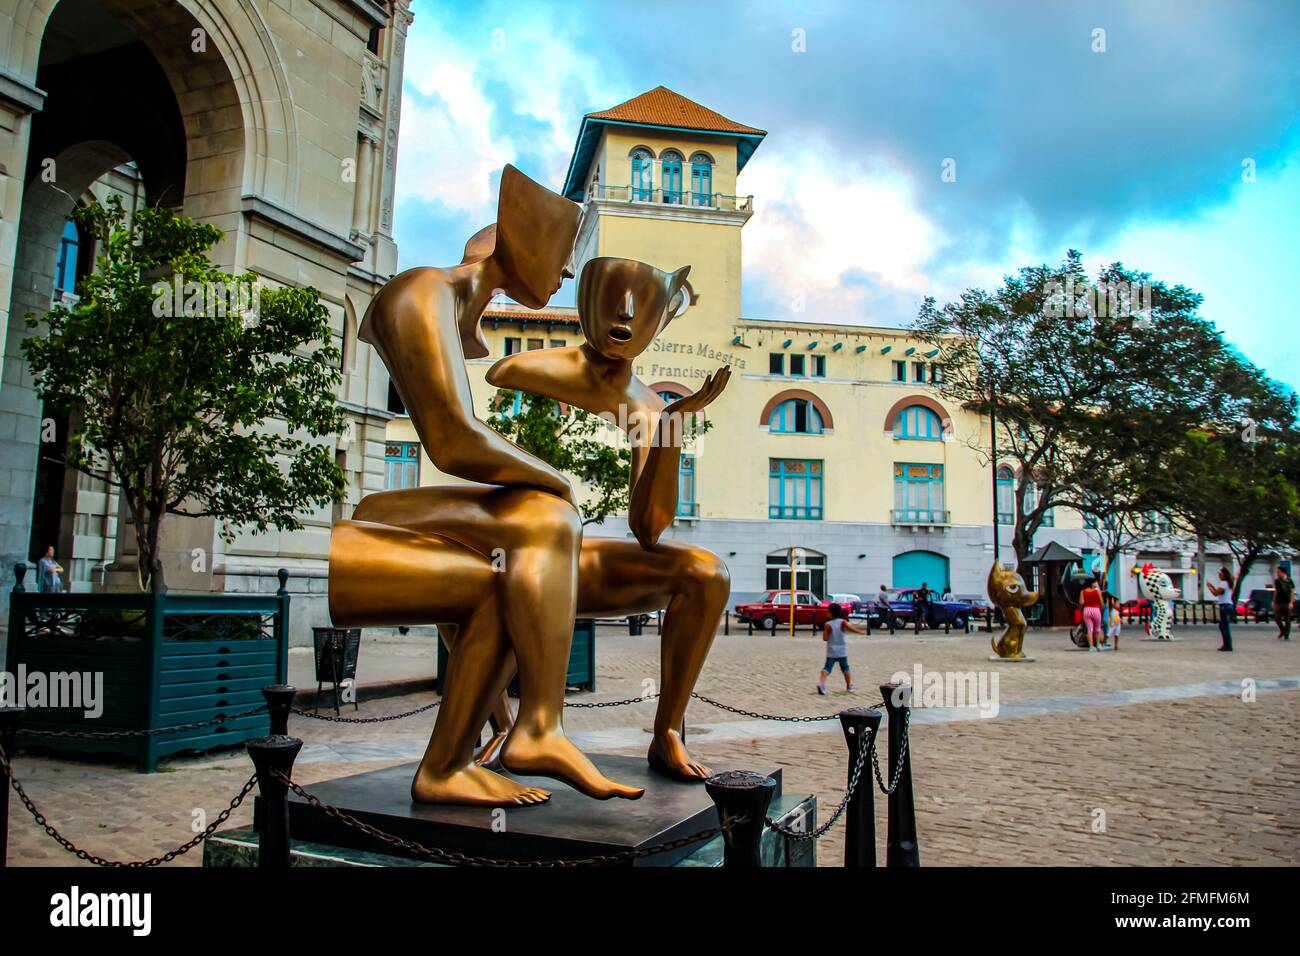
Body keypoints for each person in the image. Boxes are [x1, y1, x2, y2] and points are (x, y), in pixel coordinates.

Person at [818, 603, 864, 694]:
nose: (827, 613)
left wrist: (827, 632)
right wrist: (860, 631)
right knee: (845, 668)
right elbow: (850, 628)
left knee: (827, 668)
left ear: (831, 613)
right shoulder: (842, 622)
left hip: (831, 650)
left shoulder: (828, 624)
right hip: (842, 650)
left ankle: (821, 684)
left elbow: (825, 638)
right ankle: (849, 685)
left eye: (828, 612)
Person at [1207, 567, 1235, 652]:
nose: (1219, 576)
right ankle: (1226, 644)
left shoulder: (1223, 583)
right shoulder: (1228, 583)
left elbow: (1216, 593)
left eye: (1220, 574)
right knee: (1223, 625)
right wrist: (1212, 586)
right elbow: (1220, 592)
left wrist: (1209, 587)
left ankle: (1227, 645)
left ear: (1224, 575)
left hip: (1224, 606)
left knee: (1224, 626)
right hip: (1228, 605)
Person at [1080, 576, 1105, 651]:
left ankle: (1091, 647)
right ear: (1091, 584)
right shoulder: (1097, 591)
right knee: (1098, 628)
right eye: (1094, 583)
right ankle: (1098, 645)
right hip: (1096, 610)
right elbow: (1101, 603)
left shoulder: (1082, 591)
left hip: (1087, 610)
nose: (1095, 584)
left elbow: (1081, 602)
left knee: (1089, 629)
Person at [1273, 568, 1293, 640]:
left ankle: (1286, 635)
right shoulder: (1277, 581)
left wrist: (1291, 602)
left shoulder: (1289, 580)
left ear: (1283, 572)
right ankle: (1282, 630)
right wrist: (1274, 602)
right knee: (1277, 618)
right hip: (1279, 602)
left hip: (1287, 602)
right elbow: (1276, 591)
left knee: (1287, 619)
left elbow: (1292, 591)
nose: (1277, 573)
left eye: (1278, 572)